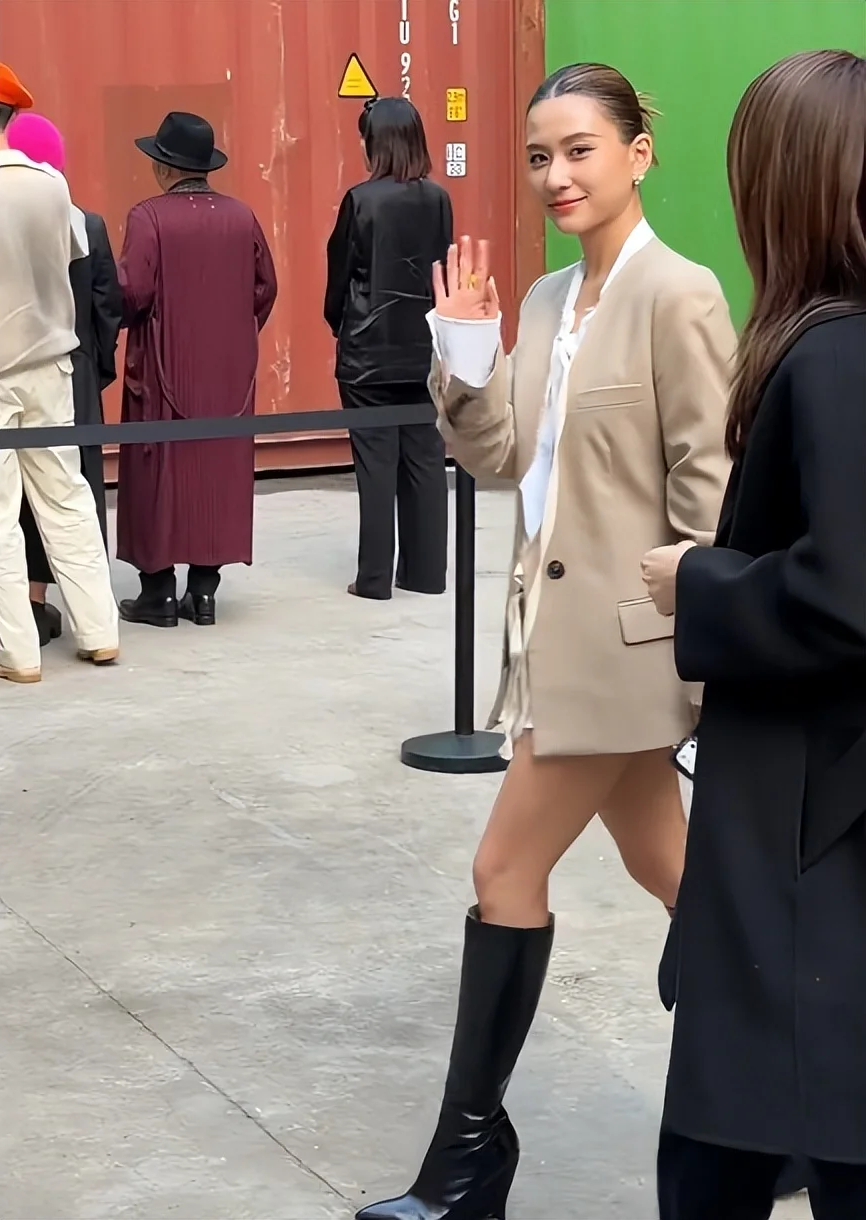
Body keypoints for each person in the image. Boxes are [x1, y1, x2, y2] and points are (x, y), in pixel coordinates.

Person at [357, 63, 735, 1219]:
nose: (555, 175)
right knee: (680, 875)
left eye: (578, 149)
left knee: (502, 870)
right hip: (549, 645)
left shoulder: (679, 294)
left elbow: (708, 489)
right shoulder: (540, 300)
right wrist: (467, 356)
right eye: (537, 157)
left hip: (627, 653)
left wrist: (707, 656)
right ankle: (790, 1106)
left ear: (637, 152)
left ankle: (467, 1161)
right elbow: (499, 457)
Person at [642, 49, 866, 1220]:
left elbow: (844, 593)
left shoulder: (831, 356)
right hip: (807, 844)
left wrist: (702, 580)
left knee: (723, 1151)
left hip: (800, 837)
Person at [117, 111, 277, 627]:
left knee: (157, 472)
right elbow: (265, 287)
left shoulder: (148, 217)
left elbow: (132, 292)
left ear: (164, 168)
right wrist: (235, 333)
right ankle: (204, 593)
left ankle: (158, 594)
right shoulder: (241, 216)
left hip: (164, 369)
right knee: (217, 470)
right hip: (228, 372)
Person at [0, 62, 119, 682]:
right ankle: (99, 631)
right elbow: (74, 253)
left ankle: (16, 652)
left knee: (0, 518)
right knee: (67, 499)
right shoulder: (51, 185)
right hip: (51, 366)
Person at [325, 97, 451, 601]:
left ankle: (374, 578)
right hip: (423, 348)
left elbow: (340, 273)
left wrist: (340, 324)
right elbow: (442, 272)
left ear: (375, 143)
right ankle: (425, 573)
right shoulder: (438, 199)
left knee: (375, 464)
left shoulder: (360, 199)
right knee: (425, 459)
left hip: (368, 354)